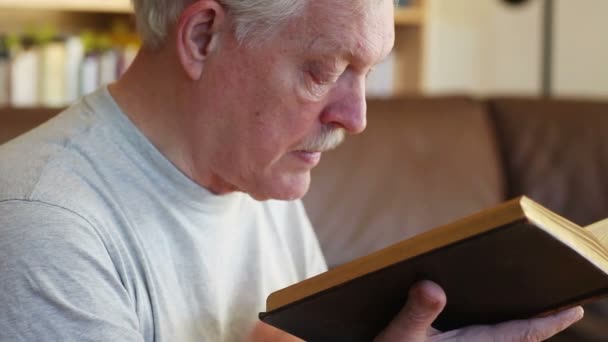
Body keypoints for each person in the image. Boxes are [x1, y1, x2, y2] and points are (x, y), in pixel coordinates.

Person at [0, 0, 583, 341]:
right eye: (325, 69)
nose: (355, 119)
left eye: (368, 72)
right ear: (203, 37)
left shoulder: (257, 174)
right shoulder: (41, 226)